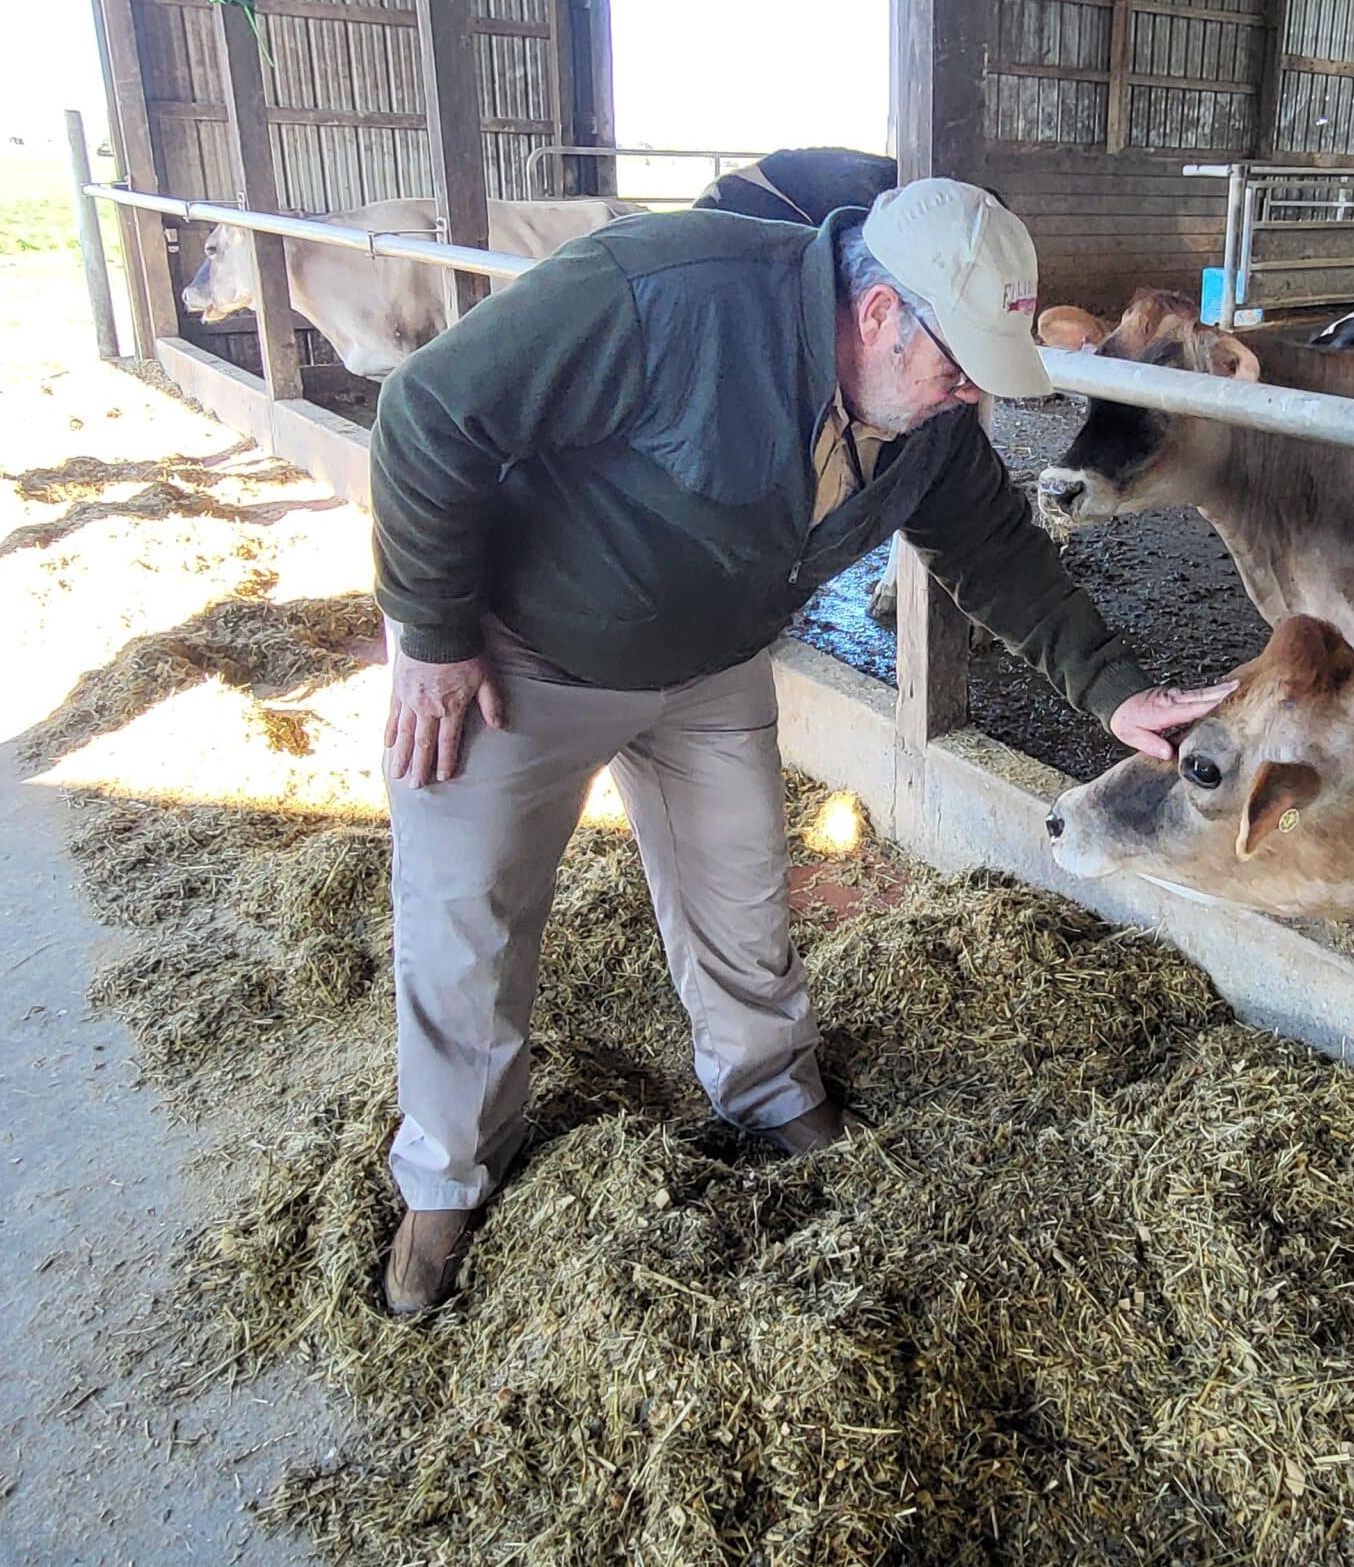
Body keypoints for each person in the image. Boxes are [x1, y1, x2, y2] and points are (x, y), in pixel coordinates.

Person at [368, 177, 1235, 1313]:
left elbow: (995, 550)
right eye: (956, 363)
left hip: (712, 663)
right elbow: (430, 415)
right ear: (877, 313)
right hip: (522, 656)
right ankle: (446, 1181)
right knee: (466, 918)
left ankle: (770, 1094)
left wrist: (1116, 694)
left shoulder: (925, 415)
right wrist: (432, 636)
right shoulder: (663, 295)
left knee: (743, 896)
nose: (969, 391)